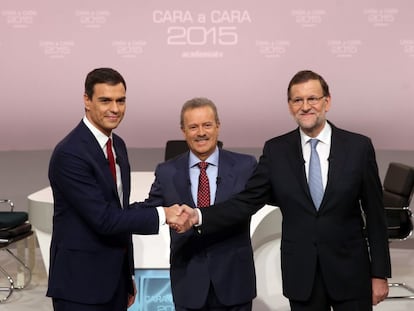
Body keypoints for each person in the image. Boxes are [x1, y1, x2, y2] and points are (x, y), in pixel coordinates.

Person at [175, 70, 391, 311]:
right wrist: (199, 215)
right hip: (302, 277)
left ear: (327, 101)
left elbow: (375, 214)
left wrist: (379, 274)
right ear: (290, 106)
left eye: (313, 99)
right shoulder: (276, 151)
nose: (305, 106)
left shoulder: (358, 147)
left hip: (351, 274)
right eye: (297, 100)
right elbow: (247, 201)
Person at [47, 67, 183, 311]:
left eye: (121, 100)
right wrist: (163, 214)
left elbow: (119, 210)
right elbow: (104, 219)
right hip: (80, 286)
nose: (115, 109)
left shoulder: (117, 144)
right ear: (86, 101)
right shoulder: (70, 153)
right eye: (105, 100)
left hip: (115, 281)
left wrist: (127, 274)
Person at [142, 97, 258, 311]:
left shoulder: (245, 166)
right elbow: (152, 210)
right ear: (183, 130)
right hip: (189, 284)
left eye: (207, 125)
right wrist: (117, 214)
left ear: (218, 126)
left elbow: (249, 205)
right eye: (193, 127)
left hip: (234, 283)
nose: (201, 132)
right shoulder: (167, 171)